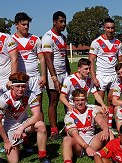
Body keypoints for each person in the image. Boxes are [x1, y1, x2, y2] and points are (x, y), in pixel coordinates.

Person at [0, 72, 53, 163]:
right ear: (12, 86)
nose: (21, 89)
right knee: (14, 161)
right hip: (10, 127)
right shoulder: (3, 100)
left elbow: (37, 115)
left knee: (41, 125)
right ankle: (21, 141)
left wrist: (21, 128)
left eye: (23, 86)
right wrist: (6, 141)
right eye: (18, 86)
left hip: (23, 124)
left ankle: (42, 156)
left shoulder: (30, 95)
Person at [60, 89, 110, 163]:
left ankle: (114, 156)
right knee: (66, 139)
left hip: (92, 142)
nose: (80, 103)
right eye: (77, 100)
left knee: (108, 132)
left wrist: (105, 129)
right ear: (73, 101)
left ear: (86, 100)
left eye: (82, 100)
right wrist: (86, 147)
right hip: (78, 145)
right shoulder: (69, 115)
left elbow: (101, 121)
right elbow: (74, 135)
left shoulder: (91, 110)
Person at [89, 17, 122, 128]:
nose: (110, 30)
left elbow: (121, 60)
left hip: (114, 76)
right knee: (99, 102)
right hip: (101, 76)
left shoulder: (118, 43)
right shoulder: (96, 42)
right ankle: (97, 125)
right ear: (104, 28)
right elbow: (91, 61)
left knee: (111, 101)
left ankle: (108, 125)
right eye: (108, 28)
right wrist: (94, 77)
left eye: (112, 28)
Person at [42, 11, 71, 139]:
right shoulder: (48, 37)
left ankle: (68, 126)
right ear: (54, 22)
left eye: (64, 21)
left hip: (64, 73)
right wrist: (54, 78)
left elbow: (64, 57)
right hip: (52, 74)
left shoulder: (63, 37)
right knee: (54, 101)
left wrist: (69, 74)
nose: (63, 24)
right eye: (61, 21)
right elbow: (48, 59)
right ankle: (54, 130)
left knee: (67, 100)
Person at [13, 12, 46, 120]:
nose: (26, 27)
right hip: (20, 80)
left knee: (38, 107)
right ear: (16, 25)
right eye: (23, 24)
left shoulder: (35, 39)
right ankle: (24, 134)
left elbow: (42, 59)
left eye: (27, 24)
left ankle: (41, 133)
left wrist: (44, 76)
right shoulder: (11, 40)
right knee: (20, 108)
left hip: (35, 79)